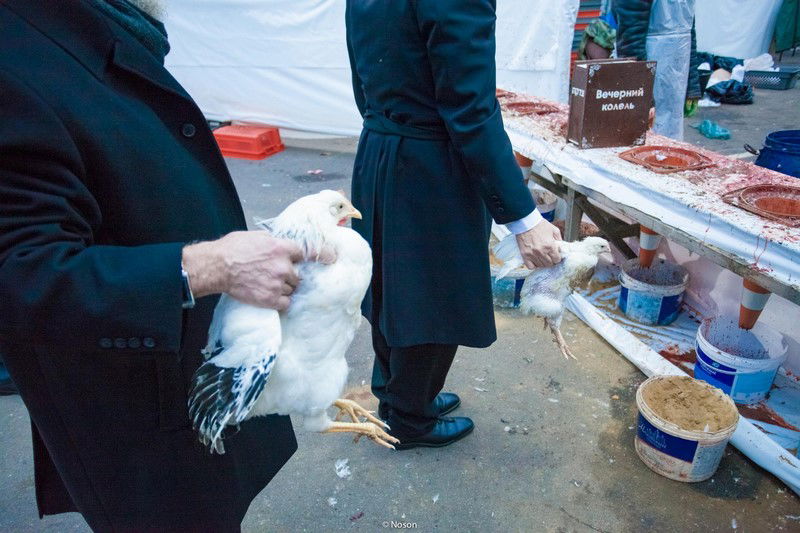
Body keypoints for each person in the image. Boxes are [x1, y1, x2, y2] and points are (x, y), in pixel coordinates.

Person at [0, 1, 316, 530]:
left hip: (185, 375)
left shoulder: (99, 24)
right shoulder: (15, 57)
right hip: (134, 409)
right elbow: (21, 271)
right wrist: (211, 265)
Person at [345, 0, 563, 449]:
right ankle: (409, 419)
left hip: (382, 145)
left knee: (392, 289)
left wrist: (389, 125)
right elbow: (469, 107)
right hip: (430, 163)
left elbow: (362, 77)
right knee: (433, 300)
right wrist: (524, 219)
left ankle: (399, 395)